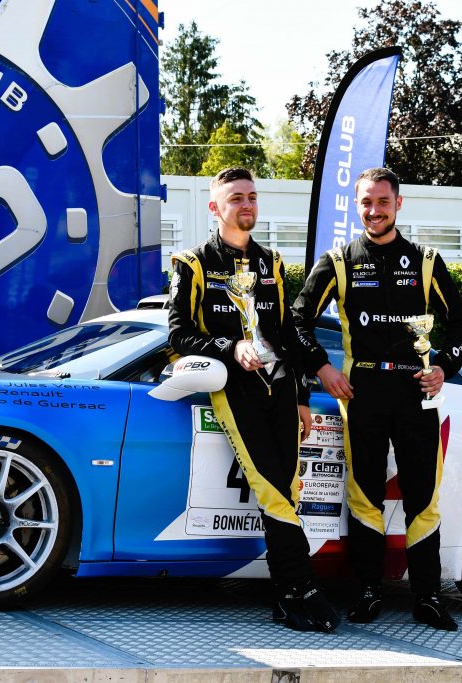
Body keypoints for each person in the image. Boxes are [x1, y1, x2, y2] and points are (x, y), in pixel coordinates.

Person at [292, 167, 462, 631]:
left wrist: (443, 368)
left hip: (416, 392)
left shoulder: (427, 261)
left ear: (398, 203)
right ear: (357, 206)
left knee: (423, 498)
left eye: (382, 202)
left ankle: (429, 597)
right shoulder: (338, 261)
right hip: (364, 392)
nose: (374, 211)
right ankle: (368, 591)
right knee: (364, 495)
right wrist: (323, 367)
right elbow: (297, 321)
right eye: (366, 203)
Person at [168, 167, 340, 633]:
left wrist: (303, 394)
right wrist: (230, 347)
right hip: (232, 388)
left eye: (251, 197)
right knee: (270, 488)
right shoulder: (193, 262)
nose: (246, 205)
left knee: (288, 489)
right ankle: (302, 587)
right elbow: (179, 334)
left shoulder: (272, 263)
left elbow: (286, 334)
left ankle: (287, 596)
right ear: (215, 208)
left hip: (281, 387)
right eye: (235, 198)